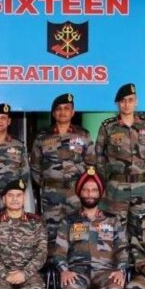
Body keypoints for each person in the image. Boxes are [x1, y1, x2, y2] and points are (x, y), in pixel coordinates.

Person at [54, 167, 124, 289]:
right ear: (79, 193)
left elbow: (123, 249)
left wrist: (121, 270)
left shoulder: (113, 221)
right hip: (78, 271)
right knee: (68, 287)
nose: (90, 194)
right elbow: (59, 252)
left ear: (100, 193)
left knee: (116, 288)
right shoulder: (69, 221)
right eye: (86, 190)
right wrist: (64, 270)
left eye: (94, 190)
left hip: (105, 271)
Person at [30, 93, 91, 252]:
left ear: (73, 112)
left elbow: (92, 164)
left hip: (76, 193)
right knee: (52, 233)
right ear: (53, 113)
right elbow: (35, 166)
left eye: (66, 108)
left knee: (78, 231)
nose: (62, 112)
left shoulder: (83, 135)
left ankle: (77, 263)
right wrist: (48, 184)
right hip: (52, 194)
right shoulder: (43, 136)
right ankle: (53, 265)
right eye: (58, 109)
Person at [94, 83, 145, 230]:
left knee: (140, 230)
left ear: (136, 102)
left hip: (140, 187)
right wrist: (106, 182)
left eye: (130, 100)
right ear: (117, 104)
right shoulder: (108, 127)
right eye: (123, 101)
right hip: (116, 188)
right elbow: (99, 156)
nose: (127, 104)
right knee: (115, 229)